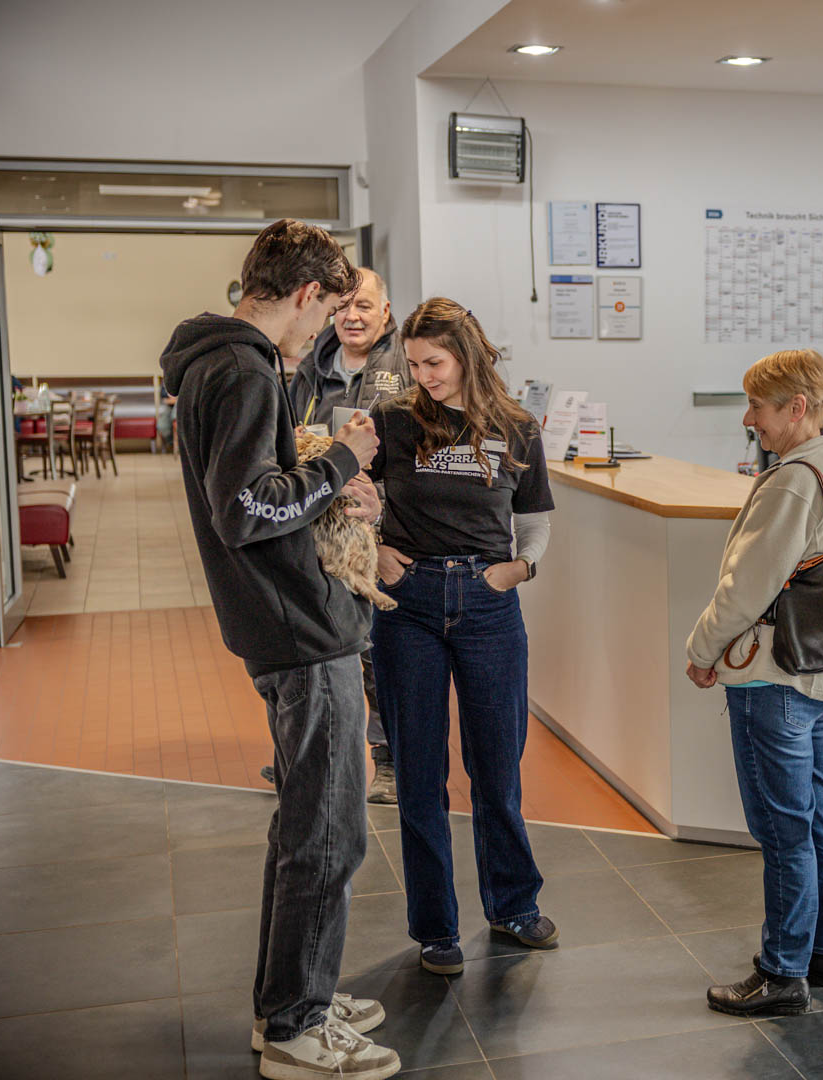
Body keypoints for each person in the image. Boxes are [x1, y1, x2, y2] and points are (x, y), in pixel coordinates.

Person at [160, 218, 399, 1080]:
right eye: (329, 310)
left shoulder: (221, 363)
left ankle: (293, 997)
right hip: (298, 628)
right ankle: (297, 1024)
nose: (328, 326)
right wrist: (340, 462)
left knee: (311, 824)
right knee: (329, 833)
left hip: (286, 621)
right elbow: (249, 509)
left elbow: (249, 492)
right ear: (306, 294)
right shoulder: (242, 369)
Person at [367, 297, 557, 977]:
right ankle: (435, 928)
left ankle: (513, 904)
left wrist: (519, 569)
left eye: (435, 363)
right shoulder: (391, 419)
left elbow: (534, 519)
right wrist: (373, 551)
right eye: (415, 364)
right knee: (419, 777)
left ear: (467, 356)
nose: (423, 376)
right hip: (408, 604)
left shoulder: (517, 427)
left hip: (488, 604)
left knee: (497, 770)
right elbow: (351, 498)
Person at [686, 349, 823, 1017]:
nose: (748, 419)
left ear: (796, 408)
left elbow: (745, 589)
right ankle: (820, 953)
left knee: (784, 829)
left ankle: (782, 972)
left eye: (757, 406)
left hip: (778, 679)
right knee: (822, 817)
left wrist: (702, 649)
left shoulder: (792, 482)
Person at [287, 268, 411, 805]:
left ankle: (389, 761)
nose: (352, 317)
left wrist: (386, 520)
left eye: (365, 306)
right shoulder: (312, 368)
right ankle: (313, 756)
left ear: (386, 311)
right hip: (320, 524)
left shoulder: (405, 367)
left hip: (381, 528)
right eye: (344, 307)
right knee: (321, 646)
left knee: (377, 654)